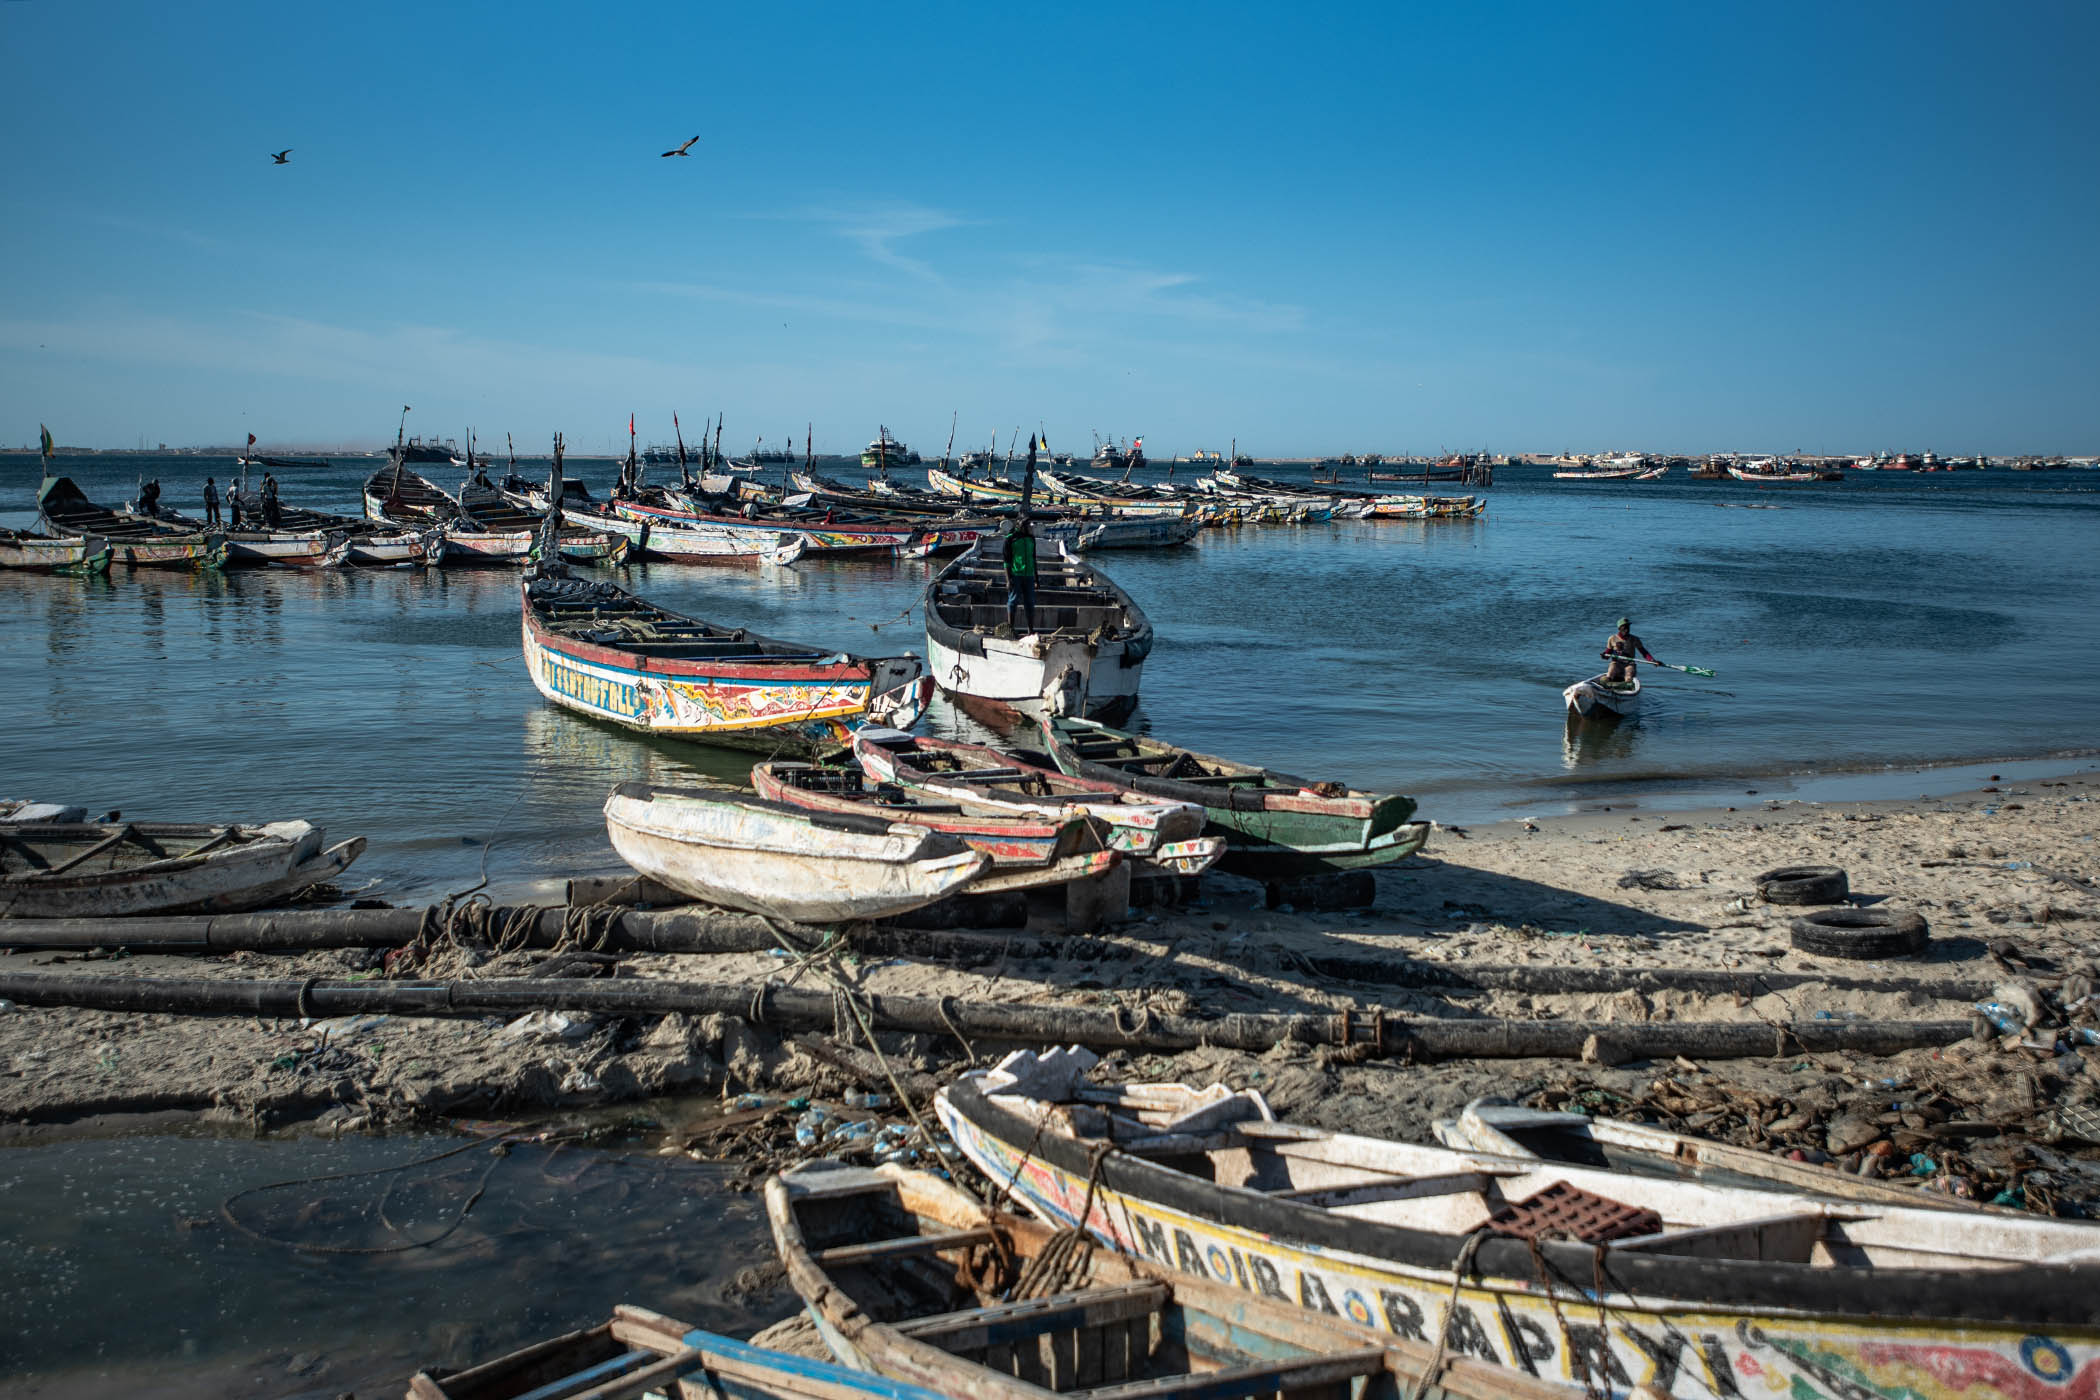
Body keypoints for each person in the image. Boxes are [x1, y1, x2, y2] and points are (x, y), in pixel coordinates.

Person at [1004, 517, 1038, 634]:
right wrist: (1008, 580)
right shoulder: (1010, 539)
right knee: (1013, 601)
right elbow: (1006, 562)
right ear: (1022, 526)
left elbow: (1034, 559)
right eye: (1029, 526)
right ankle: (1011, 629)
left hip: (1029, 576)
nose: (1031, 528)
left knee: (1030, 603)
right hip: (1016, 575)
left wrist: (1036, 579)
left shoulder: (1031, 539)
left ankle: (1031, 630)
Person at [1602, 616, 1659, 685]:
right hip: (1617, 664)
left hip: (1629, 664)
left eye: (1628, 627)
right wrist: (1604, 655)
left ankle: (1627, 685)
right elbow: (1607, 654)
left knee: (1628, 676)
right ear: (1619, 628)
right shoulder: (1612, 638)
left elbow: (1644, 652)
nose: (1627, 630)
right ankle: (1608, 683)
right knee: (1611, 670)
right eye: (1624, 628)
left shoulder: (1634, 639)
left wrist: (1653, 661)